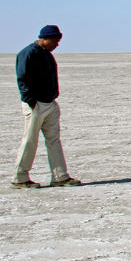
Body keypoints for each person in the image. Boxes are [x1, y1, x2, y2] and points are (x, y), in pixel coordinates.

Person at [13, 25, 80, 188]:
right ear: (44, 38)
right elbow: (22, 79)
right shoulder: (28, 53)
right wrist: (31, 101)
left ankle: (60, 176)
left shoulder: (46, 55)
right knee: (30, 140)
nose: (57, 45)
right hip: (36, 105)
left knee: (54, 140)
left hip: (49, 103)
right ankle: (20, 177)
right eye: (55, 41)